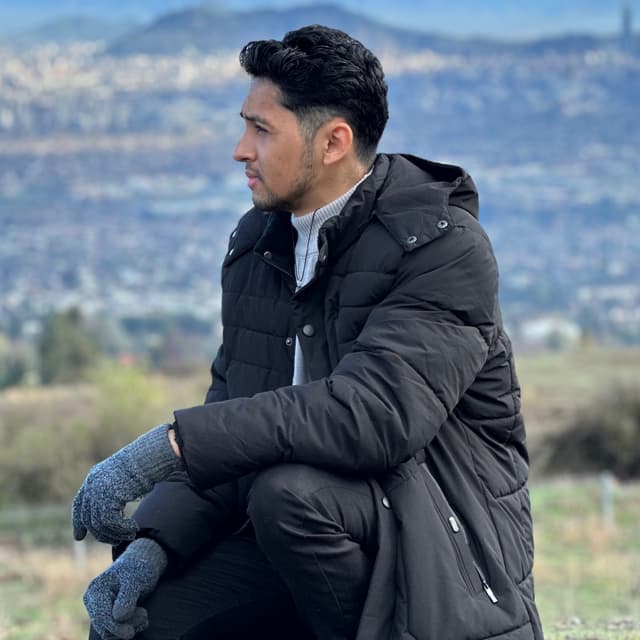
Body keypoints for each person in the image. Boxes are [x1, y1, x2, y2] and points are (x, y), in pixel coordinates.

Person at [72, 24, 543, 640]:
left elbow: (373, 417)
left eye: (261, 130)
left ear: (332, 142)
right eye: (245, 125)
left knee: (286, 493)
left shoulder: (443, 247)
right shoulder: (259, 246)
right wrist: (155, 544)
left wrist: (167, 447)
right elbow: (236, 413)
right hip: (296, 539)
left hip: (438, 549)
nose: (241, 149)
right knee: (143, 619)